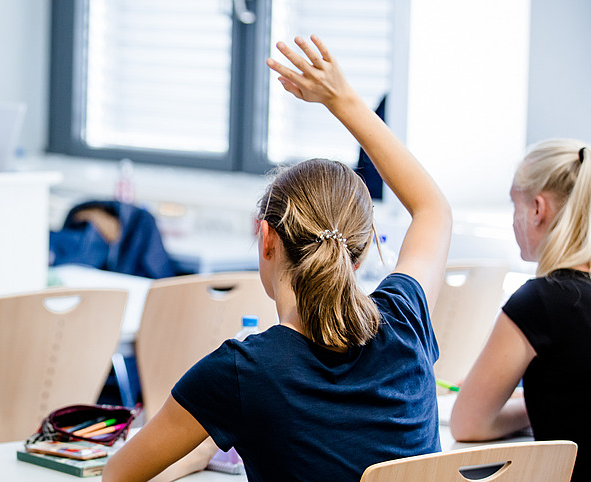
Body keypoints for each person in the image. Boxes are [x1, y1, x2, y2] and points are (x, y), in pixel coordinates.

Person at [102, 35, 452, 481]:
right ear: (359, 255)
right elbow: (433, 210)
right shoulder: (404, 325)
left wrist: (191, 452)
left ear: (266, 239)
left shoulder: (240, 373)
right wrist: (341, 100)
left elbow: (117, 477)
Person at [451, 140, 591, 481]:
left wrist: (529, 410)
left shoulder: (541, 301)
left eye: (514, 204)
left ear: (538, 209)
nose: (513, 219)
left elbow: (468, 423)